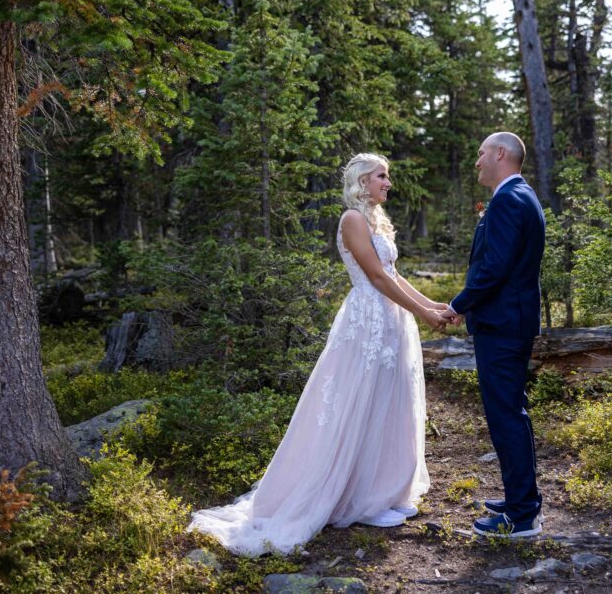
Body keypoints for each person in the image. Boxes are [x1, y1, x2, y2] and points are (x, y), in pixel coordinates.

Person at [188, 153, 446, 556]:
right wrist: (424, 313)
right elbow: (376, 278)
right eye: (381, 176)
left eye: (388, 176)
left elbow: (394, 275)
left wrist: (432, 306)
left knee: (388, 401)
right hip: (367, 322)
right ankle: (359, 499)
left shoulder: (378, 221)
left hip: (392, 322)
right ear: (362, 181)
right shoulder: (352, 220)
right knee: (357, 402)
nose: (388, 182)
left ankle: (382, 489)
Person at [441, 132, 546, 538]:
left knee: (506, 417)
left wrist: (457, 305)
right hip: (508, 324)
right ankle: (523, 499)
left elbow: (494, 268)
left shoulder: (508, 199)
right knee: (511, 413)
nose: (477, 161)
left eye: (481, 153)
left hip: (502, 326)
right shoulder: (521, 196)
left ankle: (521, 515)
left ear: (501, 154)